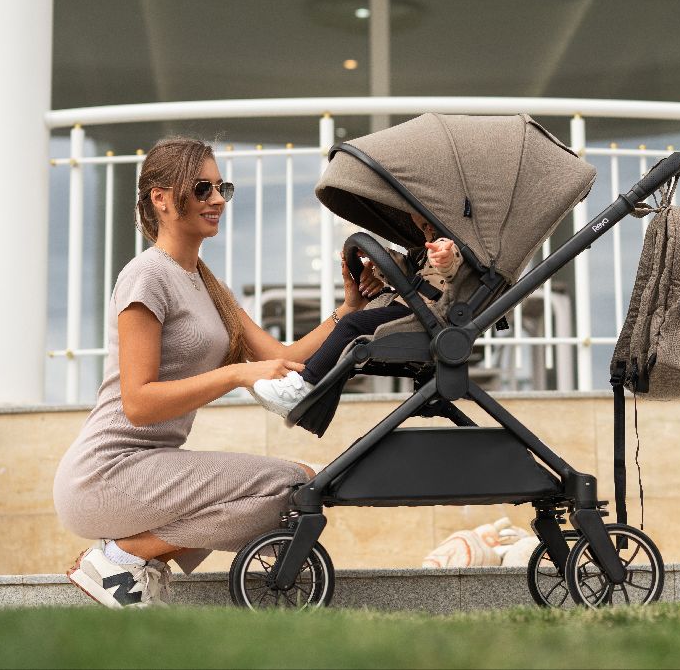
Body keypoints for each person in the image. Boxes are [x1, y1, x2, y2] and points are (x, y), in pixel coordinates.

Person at [53, 136, 383, 608]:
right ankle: (123, 557)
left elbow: (285, 357)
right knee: (293, 486)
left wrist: (349, 310)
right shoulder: (146, 276)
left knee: (299, 489)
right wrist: (235, 376)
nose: (217, 200)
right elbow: (138, 403)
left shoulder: (209, 284)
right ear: (161, 198)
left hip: (148, 467)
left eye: (221, 188)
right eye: (201, 189)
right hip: (107, 471)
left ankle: (128, 560)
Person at [251, 212, 462, 417]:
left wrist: (444, 257)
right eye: (423, 226)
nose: (429, 228)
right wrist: (377, 258)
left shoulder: (450, 246)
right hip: (414, 309)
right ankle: (302, 383)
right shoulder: (422, 254)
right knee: (346, 338)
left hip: (428, 315)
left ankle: (304, 386)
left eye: (430, 221)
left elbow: (451, 261)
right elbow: (405, 269)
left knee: (353, 324)